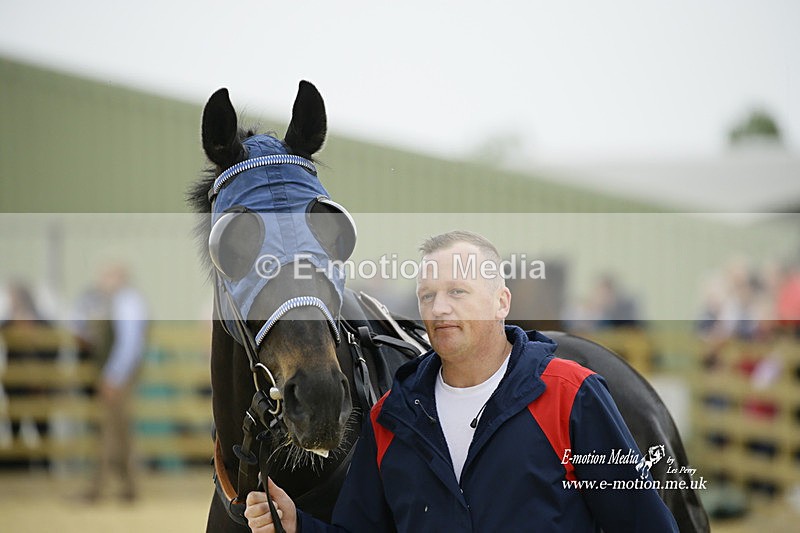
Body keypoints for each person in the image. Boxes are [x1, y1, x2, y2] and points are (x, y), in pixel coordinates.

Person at [245, 230, 678, 532]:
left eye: (457, 292)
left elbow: (643, 523)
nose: (440, 309)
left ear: (500, 302)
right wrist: (298, 525)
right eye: (428, 296)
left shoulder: (572, 395)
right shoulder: (390, 419)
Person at [73, 262, 148, 502]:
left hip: (118, 378)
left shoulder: (127, 303)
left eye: (107, 275)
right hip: (117, 377)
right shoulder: (114, 302)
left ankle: (98, 488)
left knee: (108, 432)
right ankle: (127, 488)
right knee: (119, 432)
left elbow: (129, 345)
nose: (102, 281)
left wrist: (113, 377)